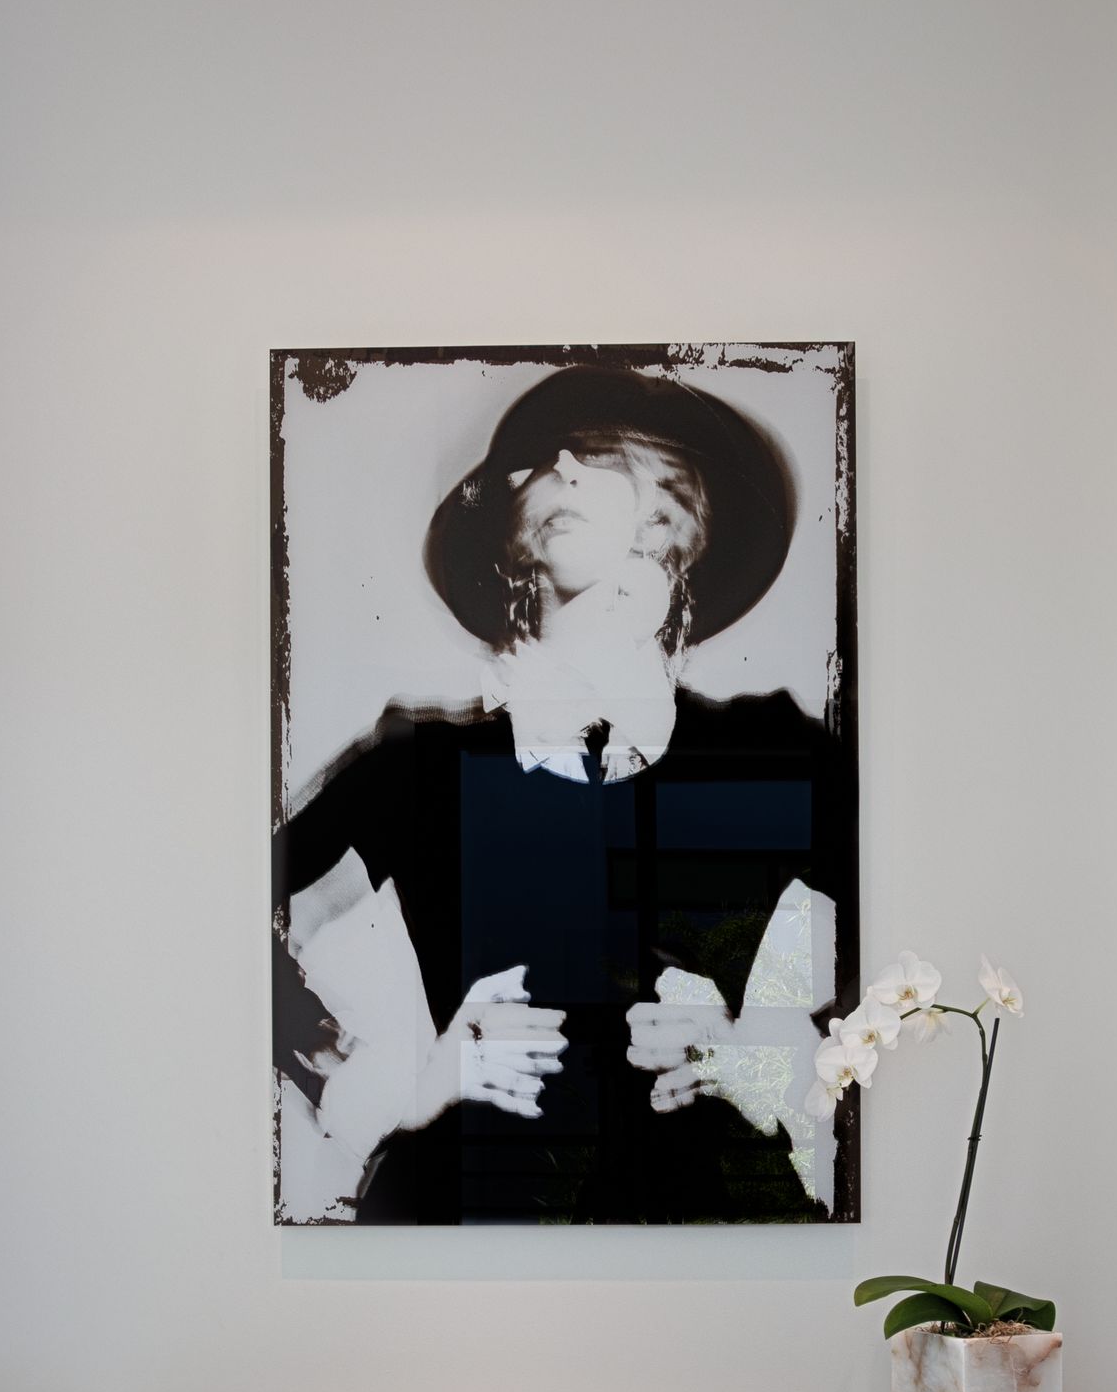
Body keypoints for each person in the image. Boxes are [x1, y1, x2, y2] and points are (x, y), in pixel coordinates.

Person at [275, 365, 854, 1224]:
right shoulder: (416, 765)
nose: (556, 468)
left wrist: (757, 1056)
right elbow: (219, 934)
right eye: (542, 461)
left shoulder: (773, 750)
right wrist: (395, 1085)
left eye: (596, 455)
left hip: (714, 1233)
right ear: (512, 542)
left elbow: (917, 955)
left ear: (675, 520)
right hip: (455, 1231)